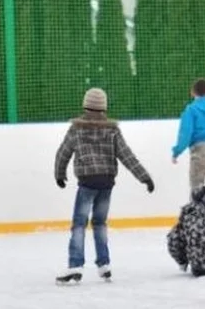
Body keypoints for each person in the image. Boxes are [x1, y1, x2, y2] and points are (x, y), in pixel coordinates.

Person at [54, 87, 155, 284]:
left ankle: (75, 264)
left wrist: (59, 174)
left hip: (87, 182)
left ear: (85, 105)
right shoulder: (112, 130)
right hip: (106, 183)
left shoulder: (76, 129)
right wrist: (145, 178)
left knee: (79, 224)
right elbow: (127, 156)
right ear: (104, 108)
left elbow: (63, 152)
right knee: (100, 223)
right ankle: (104, 264)